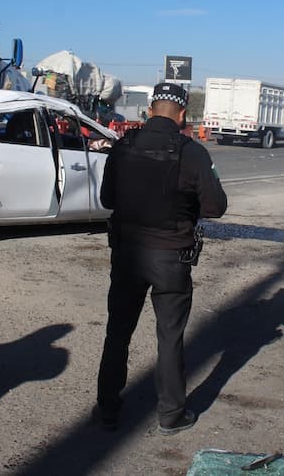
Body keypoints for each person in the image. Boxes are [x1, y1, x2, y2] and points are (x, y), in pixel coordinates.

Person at [95, 82, 228, 436]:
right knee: (169, 336)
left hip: (127, 254)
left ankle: (107, 409)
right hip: (171, 258)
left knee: (118, 332)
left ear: (150, 109)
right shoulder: (192, 152)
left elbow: (108, 199)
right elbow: (216, 206)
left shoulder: (123, 146)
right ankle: (171, 414)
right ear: (182, 115)